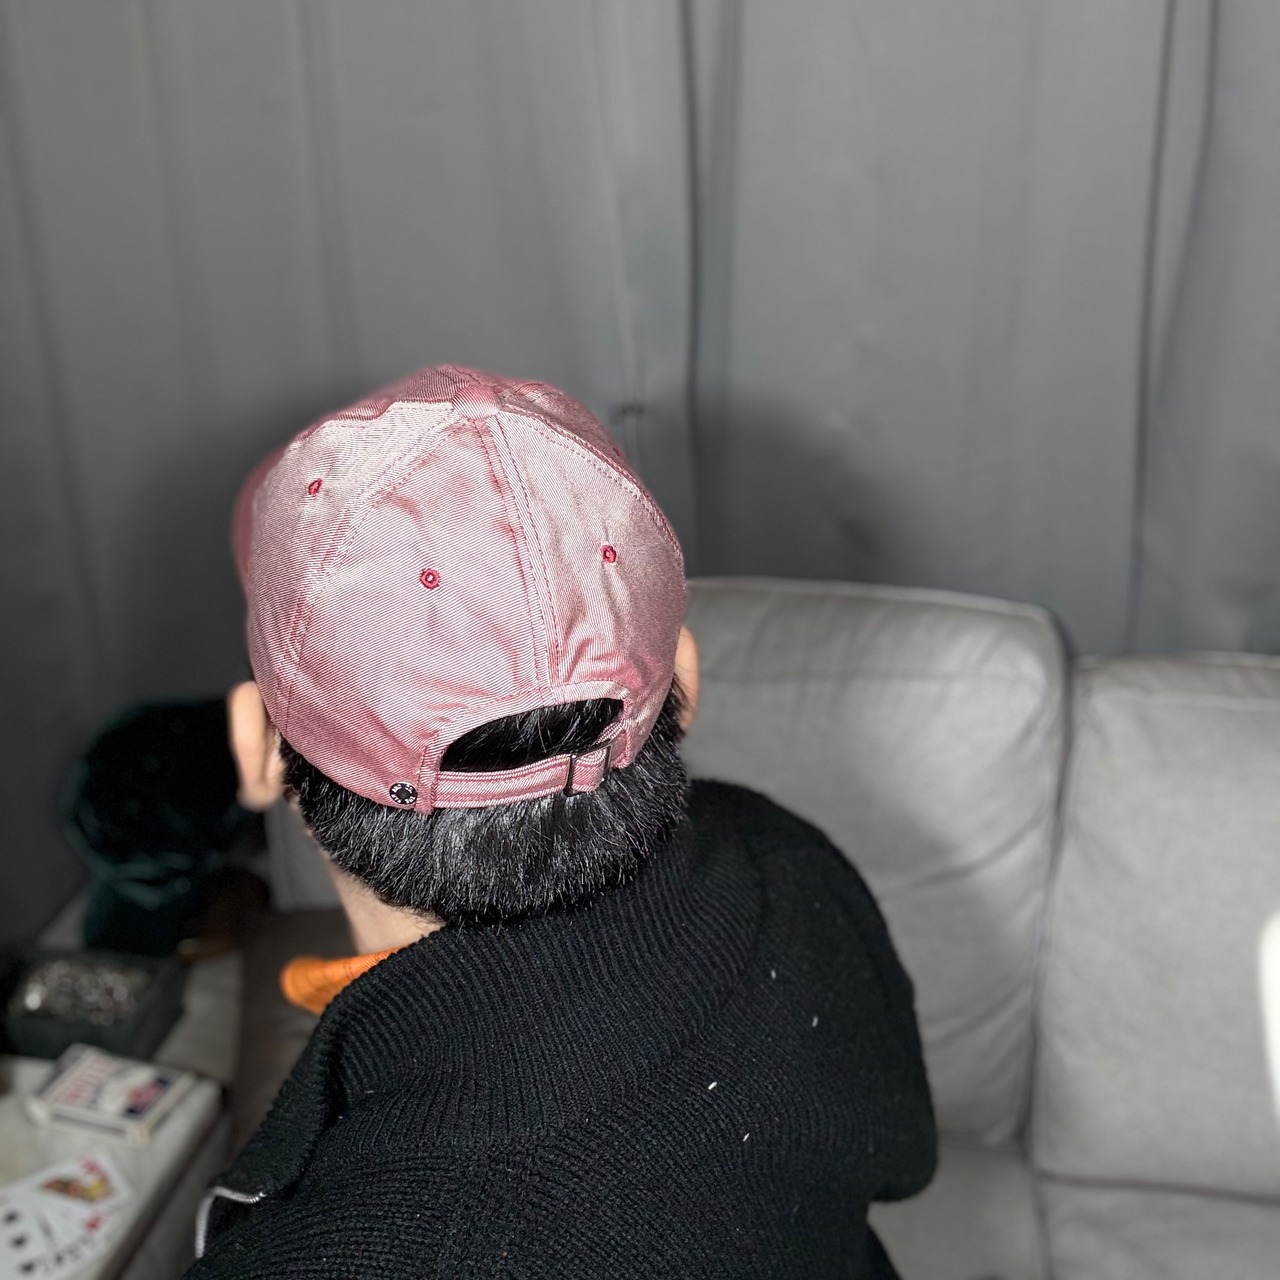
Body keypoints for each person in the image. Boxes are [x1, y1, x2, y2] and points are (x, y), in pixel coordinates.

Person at [189, 365, 936, 1278]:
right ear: (684, 682)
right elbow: (905, 1159)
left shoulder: (317, 1255)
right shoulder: (783, 858)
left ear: (258, 748)